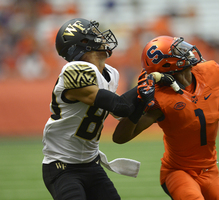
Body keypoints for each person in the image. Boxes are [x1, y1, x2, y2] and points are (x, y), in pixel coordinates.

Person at [112, 36, 219, 200]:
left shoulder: (210, 72)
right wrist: (140, 105)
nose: (187, 51)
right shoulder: (160, 96)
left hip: (210, 171)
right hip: (177, 172)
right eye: (178, 51)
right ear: (167, 63)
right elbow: (120, 138)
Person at [42, 18, 155, 200]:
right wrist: (149, 80)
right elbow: (122, 106)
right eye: (95, 34)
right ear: (83, 42)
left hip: (91, 163)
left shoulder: (110, 73)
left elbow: (120, 113)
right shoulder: (74, 70)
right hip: (62, 166)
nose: (102, 37)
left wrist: (146, 99)